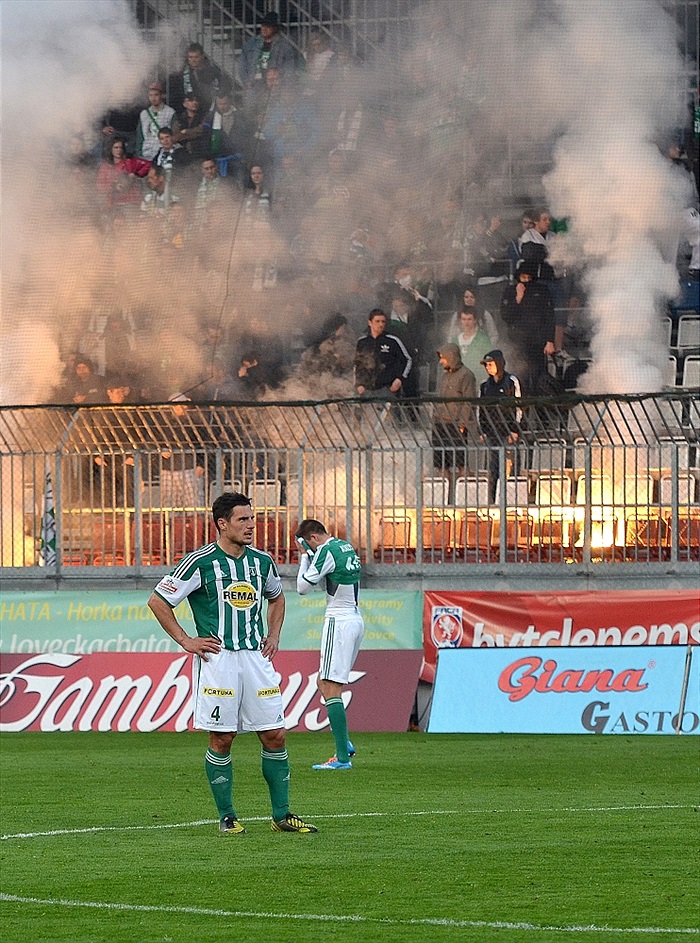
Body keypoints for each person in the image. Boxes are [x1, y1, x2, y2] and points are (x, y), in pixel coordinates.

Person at [147, 491, 318, 835]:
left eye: (252, 518)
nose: (251, 525)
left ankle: (281, 815)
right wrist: (186, 641)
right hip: (218, 659)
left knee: (275, 735)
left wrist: (274, 635)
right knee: (223, 738)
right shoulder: (199, 562)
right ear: (221, 524)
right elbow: (158, 601)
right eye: (242, 520)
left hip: (256, 657)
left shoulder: (261, 561)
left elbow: (277, 597)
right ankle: (227, 815)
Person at [294, 519, 362, 771]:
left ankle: (342, 758)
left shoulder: (325, 550)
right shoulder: (345, 546)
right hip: (354, 617)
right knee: (323, 682)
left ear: (310, 538)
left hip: (339, 620)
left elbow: (302, 588)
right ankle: (344, 743)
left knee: (331, 687)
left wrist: (304, 557)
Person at [478, 349, 522, 503]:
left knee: (508, 470)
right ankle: (492, 502)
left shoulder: (512, 381)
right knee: (492, 470)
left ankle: (508, 502)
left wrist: (515, 430)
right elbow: (481, 410)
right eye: (486, 365)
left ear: (499, 363)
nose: (487, 367)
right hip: (491, 434)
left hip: (507, 434)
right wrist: (482, 431)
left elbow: (519, 406)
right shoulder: (484, 386)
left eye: (490, 364)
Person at [432, 343, 477, 481]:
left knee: (460, 461)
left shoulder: (466, 375)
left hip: (456, 424)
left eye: (443, 358)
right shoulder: (445, 376)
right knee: (441, 463)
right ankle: (443, 495)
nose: (441, 361)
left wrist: (463, 423)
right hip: (440, 422)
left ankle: (464, 493)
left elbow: (468, 401)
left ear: (451, 357)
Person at [353, 308, 413, 398]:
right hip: (366, 390)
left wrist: (400, 379)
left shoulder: (392, 340)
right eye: (377, 321)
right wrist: (358, 384)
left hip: (387, 389)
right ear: (370, 323)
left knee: (389, 412)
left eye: (383, 322)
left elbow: (407, 360)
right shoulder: (362, 342)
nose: (381, 324)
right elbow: (357, 364)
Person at [135, 82, 176, 161]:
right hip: (146, 152)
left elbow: (174, 133)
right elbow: (140, 135)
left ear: (161, 95)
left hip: (163, 152)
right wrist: (139, 152)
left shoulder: (170, 112)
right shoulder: (144, 114)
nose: (153, 98)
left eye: (156, 95)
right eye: (151, 95)